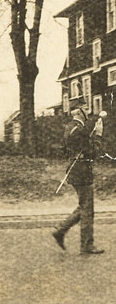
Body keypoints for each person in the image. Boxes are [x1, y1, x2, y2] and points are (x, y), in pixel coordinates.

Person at [52, 102, 106, 254]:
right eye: (86, 108)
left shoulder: (71, 127)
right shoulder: (78, 129)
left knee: (85, 205)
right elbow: (93, 151)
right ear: (78, 112)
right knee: (88, 209)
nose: (88, 111)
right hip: (81, 171)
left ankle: (61, 229)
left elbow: (65, 148)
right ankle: (86, 245)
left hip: (76, 170)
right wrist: (99, 136)